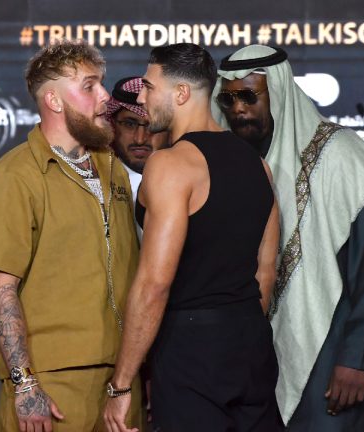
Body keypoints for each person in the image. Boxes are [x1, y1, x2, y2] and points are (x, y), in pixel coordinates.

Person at [211, 44, 364, 430]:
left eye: (249, 96)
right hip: (257, 356)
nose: (238, 109)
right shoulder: (233, 165)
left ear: (278, 92)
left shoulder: (342, 154)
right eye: (228, 99)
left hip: (333, 350)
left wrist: (357, 358)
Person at [103, 42, 281, 432]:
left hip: (191, 351)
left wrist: (122, 384)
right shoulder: (258, 165)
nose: (142, 98)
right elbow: (266, 274)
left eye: (150, 87)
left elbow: (154, 284)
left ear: (181, 93)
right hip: (252, 344)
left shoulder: (169, 165)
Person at [0, 40, 142, 431]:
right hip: (51, 384)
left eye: (102, 84)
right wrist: (26, 385)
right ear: (54, 100)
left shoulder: (112, 166)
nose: (105, 97)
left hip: (121, 379)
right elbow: (0, 290)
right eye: (89, 86)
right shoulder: (15, 176)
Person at [105, 76, 169, 200]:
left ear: (170, 131)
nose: (140, 139)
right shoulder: (95, 181)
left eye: (152, 126)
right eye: (129, 124)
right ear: (113, 126)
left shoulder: (189, 183)